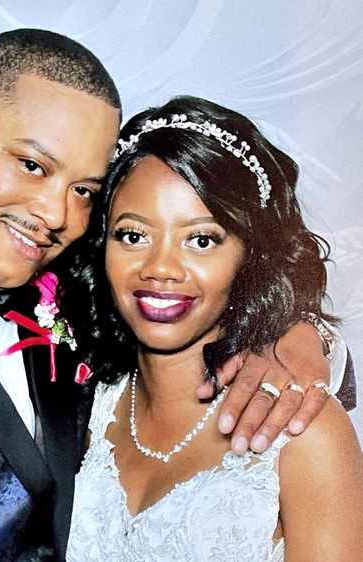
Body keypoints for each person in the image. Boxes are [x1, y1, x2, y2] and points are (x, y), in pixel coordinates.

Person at [0, 29, 348, 561]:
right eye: (32, 165)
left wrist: (292, 336)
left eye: (83, 190)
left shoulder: (61, 286)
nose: (57, 215)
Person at [66, 95, 363, 561]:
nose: (160, 267)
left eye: (201, 240)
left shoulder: (302, 430)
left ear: (249, 256)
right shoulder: (76, 402)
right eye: (133, 235)